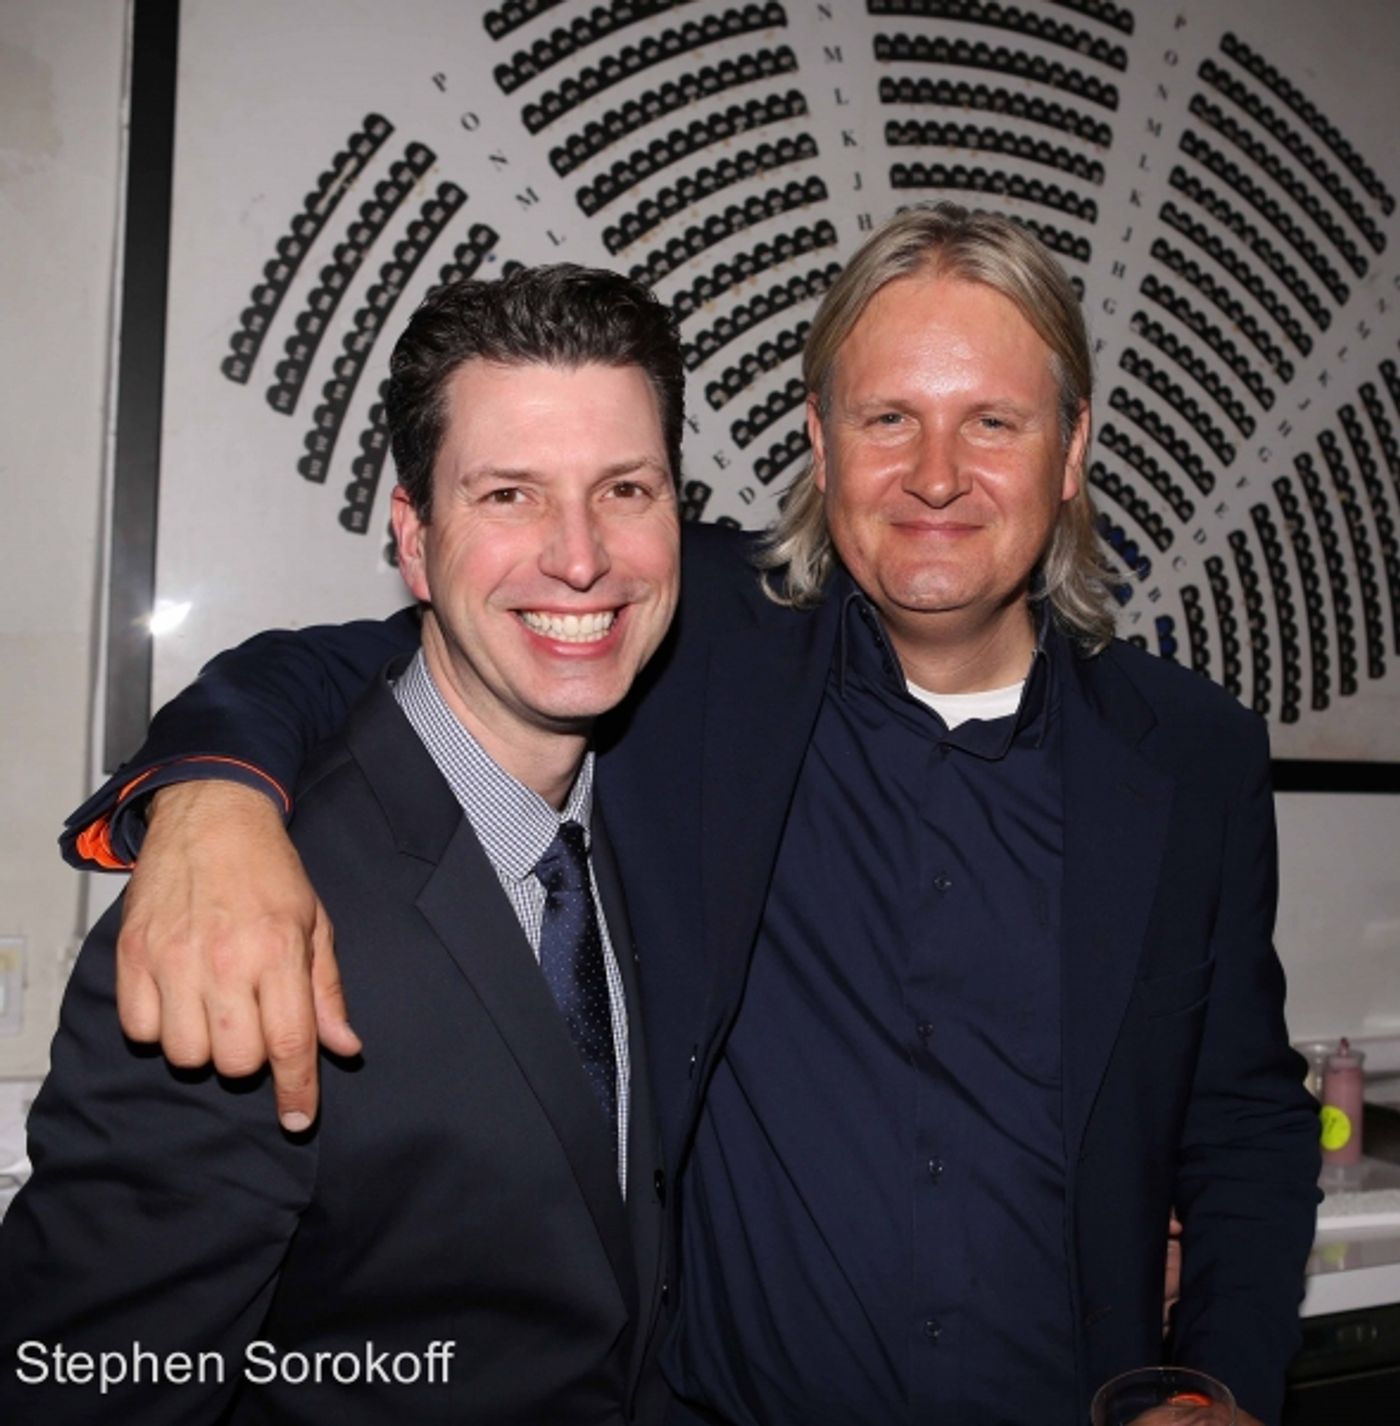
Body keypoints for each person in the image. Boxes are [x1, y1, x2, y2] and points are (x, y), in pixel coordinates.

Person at [53, 205, 1319, 1425]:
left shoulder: (1191, 756)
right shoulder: (700, 644)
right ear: (821, 447)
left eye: (990, 421)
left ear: (1072, 443)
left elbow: (1244, 1122)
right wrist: (212, 799)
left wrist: (1217, 1384)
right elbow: (394, 650)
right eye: (887, 418)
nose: (936, 475)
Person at [1, 265, 686, 1422]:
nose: (579, 557)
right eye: (509, 495)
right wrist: (208, 791)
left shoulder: (667, 794)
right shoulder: (236, 925)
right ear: (413, 538)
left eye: (624, 488)